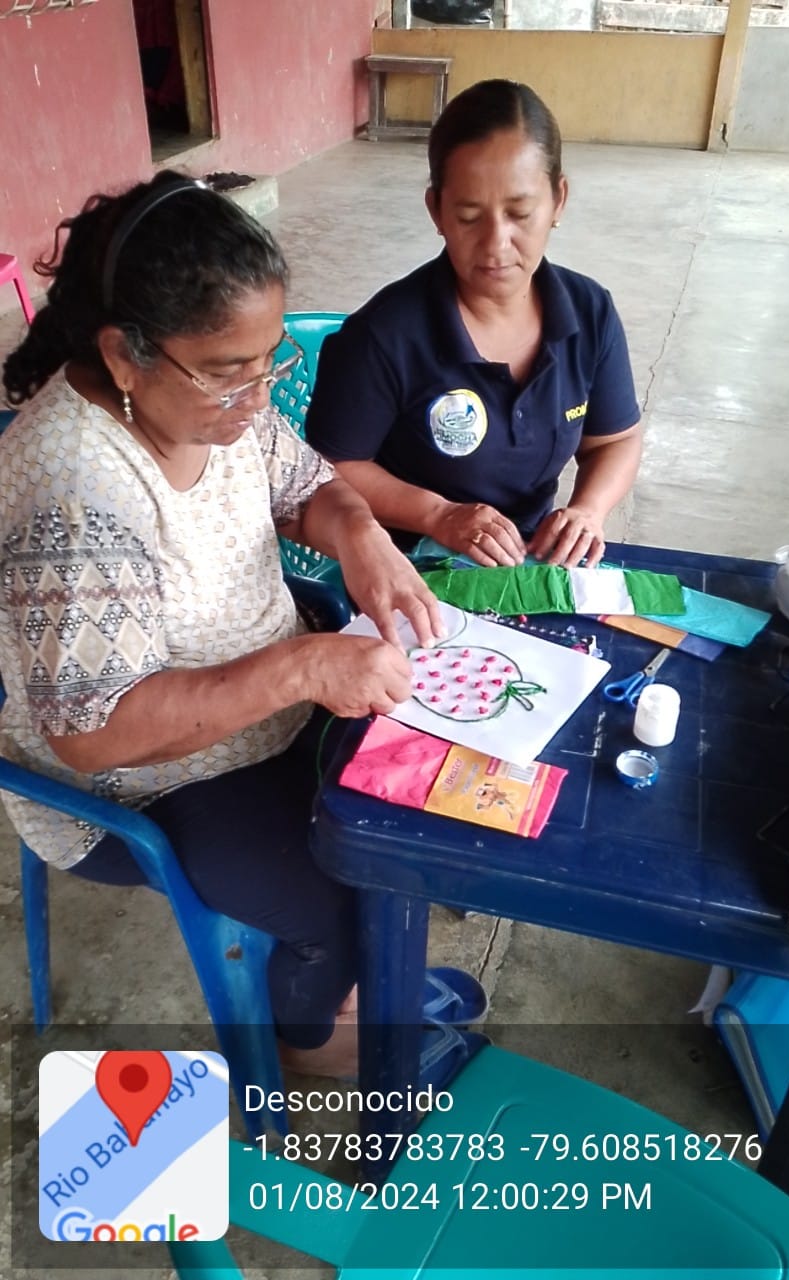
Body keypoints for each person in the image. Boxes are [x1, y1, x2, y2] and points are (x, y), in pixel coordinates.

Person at [0, 171, 443, 1079]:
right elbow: (95, 734)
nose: (258, 398)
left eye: (269, 363)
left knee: (411, 823)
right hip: (143, 784)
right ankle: (305, 1037)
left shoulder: (216, 408)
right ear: (126, 356)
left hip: (266, 709)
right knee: (341, 897)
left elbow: (307, 483)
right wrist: (303, 669)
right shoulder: (74, 492)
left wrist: (360, 533)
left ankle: (357, 985)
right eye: (230, 374)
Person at [306, 79, 642, 571]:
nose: (496, 244)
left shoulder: (589, 312)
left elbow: (615, 440)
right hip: (405, 571)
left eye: (520, 213)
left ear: (558, 201)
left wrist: (588, 511)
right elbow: (327, 468)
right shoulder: (384, 336)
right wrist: (438, 515)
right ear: (436, 210)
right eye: (468, 217)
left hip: (528, 565)